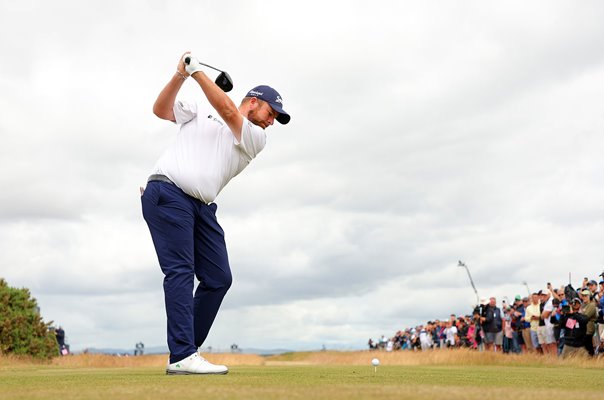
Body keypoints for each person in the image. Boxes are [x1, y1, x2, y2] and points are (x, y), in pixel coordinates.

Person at [142, 52, 290, 375]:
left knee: (218, 277)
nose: (271, 121)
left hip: (201, 208)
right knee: (181, 271)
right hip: (168, 193)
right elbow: (160, 110)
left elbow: (226, 108)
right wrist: (180, 75)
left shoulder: (255, 138)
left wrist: (195, 72)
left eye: (276, 118)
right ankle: (183, 355)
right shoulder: (199, 112)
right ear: (252, 101)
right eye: (270, 112)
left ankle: (184, 350)